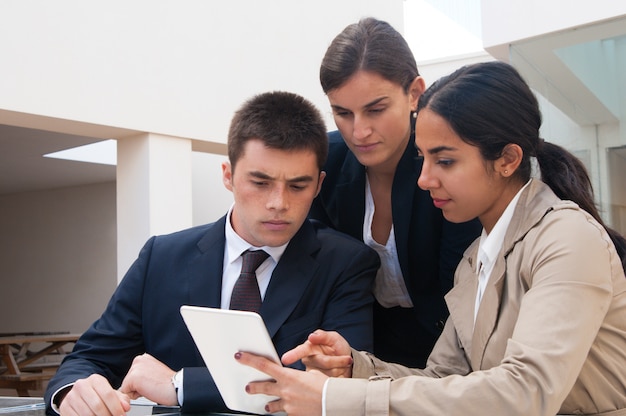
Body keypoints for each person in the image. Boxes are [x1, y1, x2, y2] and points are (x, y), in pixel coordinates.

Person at [237, 62, 626, 415]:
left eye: (445, 160)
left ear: (507, 159)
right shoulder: (477, 258)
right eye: (422, 158)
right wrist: (356, 368)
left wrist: (332, 399)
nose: (424, 179)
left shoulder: (567, 239)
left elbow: (526, 391)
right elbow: (442, 377)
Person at [44, 91, 381, 416]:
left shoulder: (346, 264)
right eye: (260, 182)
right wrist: (75, 392)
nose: (278, 202)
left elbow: (332, 387)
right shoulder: (160, 257)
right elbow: (89, 358)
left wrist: (180, 384)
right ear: (228, 176)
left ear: (319, 186)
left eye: (297, 185)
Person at [308, 17, 482, 367]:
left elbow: (463, 292)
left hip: (456, 349)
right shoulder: (326, 161)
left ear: (415, 93)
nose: (359, 131)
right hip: (362, 347)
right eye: (342, 113)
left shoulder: (449, 164)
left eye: (376, 109)